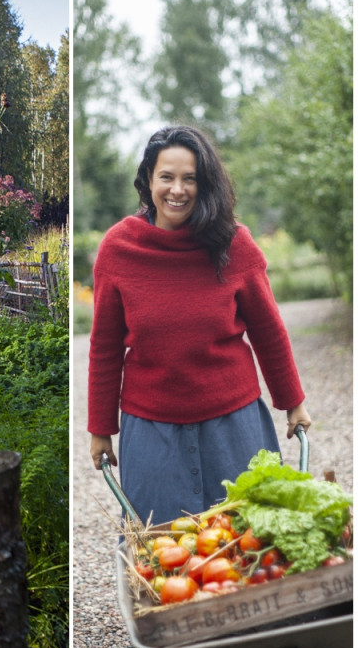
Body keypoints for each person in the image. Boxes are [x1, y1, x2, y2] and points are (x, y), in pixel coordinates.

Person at [87, 125, 312, 528]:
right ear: (148, 180)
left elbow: (268, 331)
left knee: (251, 536)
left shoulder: (234, 243)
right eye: (167, 177)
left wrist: (293, 401)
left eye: (190, 178)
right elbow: (104, 347)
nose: (178, 190)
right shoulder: (118, 250)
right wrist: (101, 429)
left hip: (234, 421)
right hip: (151, 428)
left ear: (205, 183)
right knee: (159, 549)